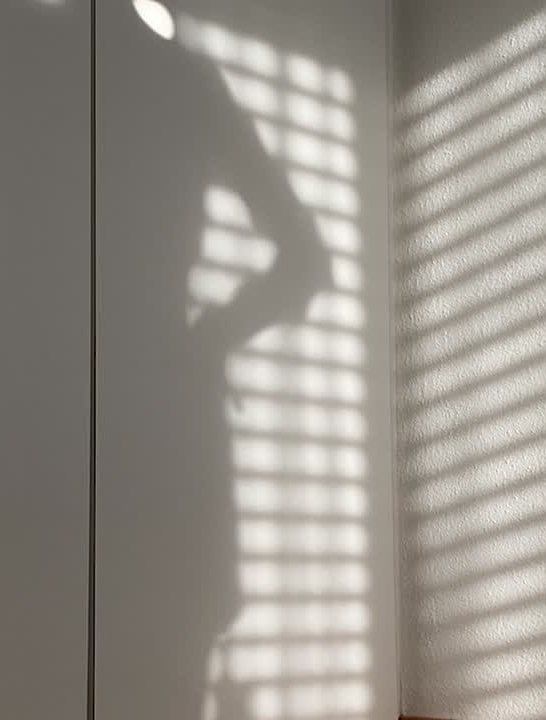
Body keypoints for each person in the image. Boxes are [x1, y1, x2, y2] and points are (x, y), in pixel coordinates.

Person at [94, 1, 332, 718]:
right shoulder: (184, 83)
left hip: (115, 413)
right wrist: (205, 342)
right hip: (161, 414)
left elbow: (304, 256)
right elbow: (305, 254)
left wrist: (205, 342)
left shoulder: (47, 68)